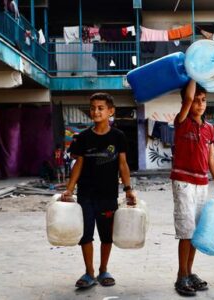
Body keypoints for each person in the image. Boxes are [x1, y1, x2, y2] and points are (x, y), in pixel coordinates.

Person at [62, 92, 136, 289]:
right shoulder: (83, 137)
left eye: (101, 108)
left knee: (106, 236)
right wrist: (69, 189)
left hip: (108, 195)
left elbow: (123, 164)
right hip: (86, 194)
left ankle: (104, 269)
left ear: (110, 111)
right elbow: (78, 164)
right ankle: (89, 272)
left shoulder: (118, 136)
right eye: (93, 108)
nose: (96, 111)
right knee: (85, 235)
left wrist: (128, 189)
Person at [170, 80, 214, 297]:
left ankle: (189, 272)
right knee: (186, 232)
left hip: (202, 183)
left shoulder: (209, 129)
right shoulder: (181, 121)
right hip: (183, 182)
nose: (200, 104)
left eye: (204, 101)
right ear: (187, 103)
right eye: (196, 101)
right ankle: (181, 276)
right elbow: (187, 98)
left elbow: (212, 159)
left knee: (195, 233)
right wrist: (194, 72)